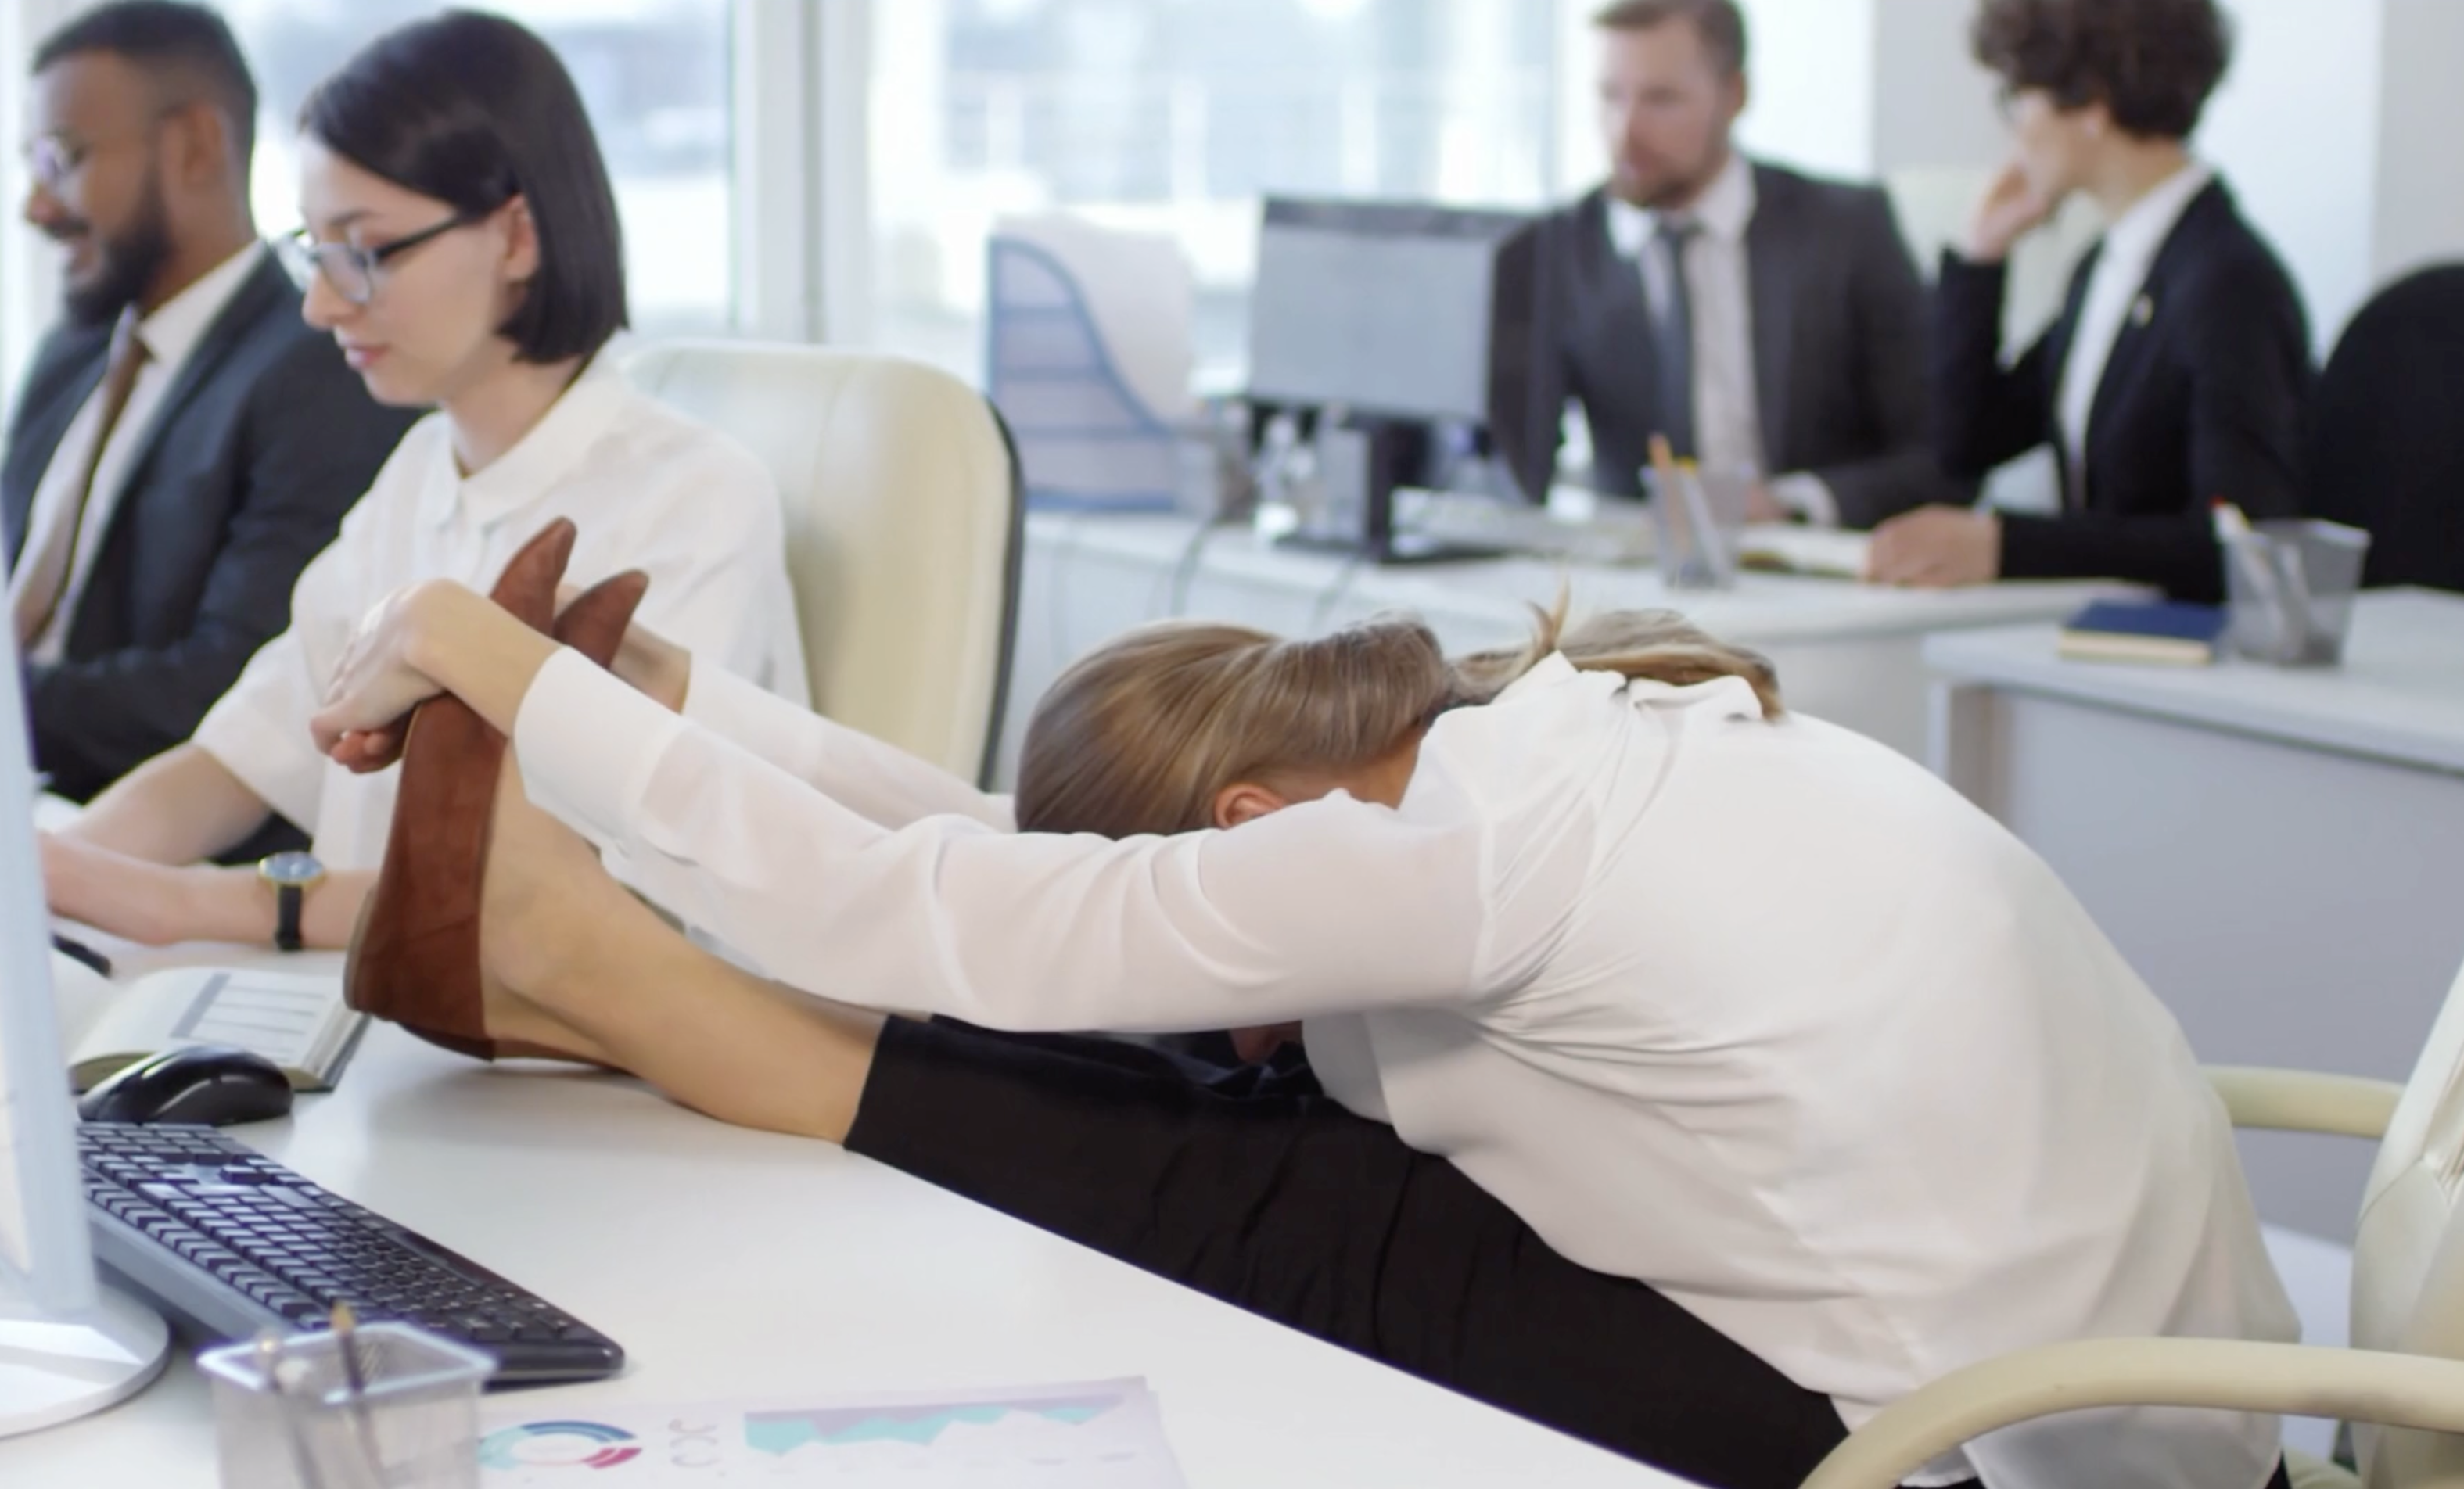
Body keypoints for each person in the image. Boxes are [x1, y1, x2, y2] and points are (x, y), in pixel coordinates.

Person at [305, 569, 2301, 1489]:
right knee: (1219, 1065)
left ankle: (632, 992)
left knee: (1269, 1172)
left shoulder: (1437, 861)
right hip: (2157, 1377)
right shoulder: (1538, 738)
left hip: (1960, 1447)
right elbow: (1015, 864)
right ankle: (617, 982)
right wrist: (681, 704)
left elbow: (915, 907)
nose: (1215, 985)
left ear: (1251, 825)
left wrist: (475, 654)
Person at [39, 10, 806, 953]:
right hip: (390, 1031)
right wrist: (53, 868)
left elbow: (570, 908)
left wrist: (184, 902)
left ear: (517, 235)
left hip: (581, 1076)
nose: (321, 304)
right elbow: (241, 756)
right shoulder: (416, 473)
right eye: (314, 251)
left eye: (363, 252)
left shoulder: (690, 504)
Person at [5, 2, 415, 809]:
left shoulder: (319, 372)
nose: (36, 207)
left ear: (195, 146)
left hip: (136, 823)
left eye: (63, 158)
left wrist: (6, 709)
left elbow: (231, 684)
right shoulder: (71, 354)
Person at [1869, 0, 2312, 601]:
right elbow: (1966, 443)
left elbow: (2236, 541)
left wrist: (2007, 547)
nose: (2015, 128)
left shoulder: (2227, 282)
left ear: (2091, 102)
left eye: (2018, 96)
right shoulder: (2109, 265)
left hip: (2189, 660)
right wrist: (1980, 260)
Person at [1536, 0, 1947, 529]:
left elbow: (1940, 455)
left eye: (1661, 100)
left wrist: (1791, 503)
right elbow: (1508, 458)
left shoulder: (1846, 230)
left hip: (1814, 566)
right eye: (1610, 96)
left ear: (1734, 95)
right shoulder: (1560, 247)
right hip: (1639, 580)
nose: (1625, 132)